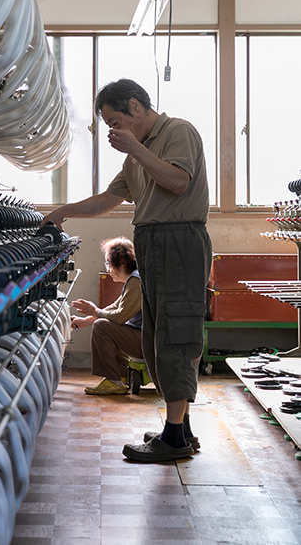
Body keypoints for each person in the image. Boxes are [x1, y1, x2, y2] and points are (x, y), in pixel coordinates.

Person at [42, 78, 212, 463]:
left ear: (136, 107)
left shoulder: (178, 131)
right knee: (155, 335)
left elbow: (178, 182)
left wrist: (134, 147)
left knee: (176, 334)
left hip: (179, 240)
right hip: (151, 240)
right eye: (107, 125)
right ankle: (179, 429)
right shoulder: (136, 154)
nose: (113, 131)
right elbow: (109, 199)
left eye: (115, 121)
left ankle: (173, 440)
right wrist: (63, 211)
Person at [71, 237, 143, 396]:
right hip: (142, 337)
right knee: (102, 324)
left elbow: (119, 317)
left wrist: (94, 312)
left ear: (122, 263)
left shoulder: (137, 281)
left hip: (146, 341)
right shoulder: (134, 280)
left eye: (109, 264)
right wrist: (85, 321)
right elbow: (114, 308)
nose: (108, 269)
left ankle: (114, 381)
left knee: (102, 327)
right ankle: (121, 376)